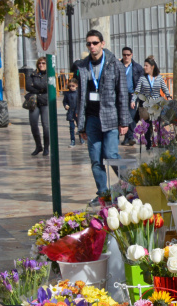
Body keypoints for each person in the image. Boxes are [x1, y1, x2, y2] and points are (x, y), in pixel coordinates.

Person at [75, 29, 131, 207]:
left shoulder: (115, 64)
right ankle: (102, 194)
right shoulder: (83, 66)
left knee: (111, 154)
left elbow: (122, 94)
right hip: (91, 118)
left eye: (95, 43)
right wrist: (81, 126)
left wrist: (124, 121)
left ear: (102, 44)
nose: (92, 46)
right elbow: (80, 97)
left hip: (111, 117)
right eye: (89, 43)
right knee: (95, 158)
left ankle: (129, 186)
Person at [131, 56, 170, 150]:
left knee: (159, 124)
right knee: (148, 125)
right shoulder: (142, 78)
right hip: (146, 104)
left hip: (157, 104)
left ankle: (160, 143)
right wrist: (133, 100)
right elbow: (137, 90)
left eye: (146, 65)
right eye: (144, 65)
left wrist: (168, 96)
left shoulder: (159, 78)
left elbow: (164, 88)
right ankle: (148, 144)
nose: (144, 67)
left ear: (152, 67)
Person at [25, 57, 50, 156]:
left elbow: (48, 86)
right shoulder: (32, 74)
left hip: (45, 102)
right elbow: (28, 86)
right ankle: (38, 146)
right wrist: (41, 88)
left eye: (43, 63)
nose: (41, 65)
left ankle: (46, 147)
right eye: (39, 63)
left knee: (46, 126)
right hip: (34, 102)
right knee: (33, 124)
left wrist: (35, 84)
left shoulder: (49, 74)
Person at [120, 47, 144, 146]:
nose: (126, 57)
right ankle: (127, 137)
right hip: (121, 95)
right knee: (123, 116)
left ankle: (130, 137)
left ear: (131, 55)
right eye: (124, 55)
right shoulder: (118, 66)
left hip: (132, 95)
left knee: (131, 116)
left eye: (128, 55)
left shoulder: (137, 67)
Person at [62, 79, 80, 148]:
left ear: (76, 86)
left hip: (77, 112)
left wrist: (78, 111)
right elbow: (64, 101)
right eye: (70, 86)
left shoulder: (78, 93)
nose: (71, 87)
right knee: (71, 127)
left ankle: (81, 138)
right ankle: (72, 140)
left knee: (79, 127)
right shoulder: (67, 93)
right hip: (70, 112)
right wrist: (65, 105)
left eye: (73, 86)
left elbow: (80, 103)